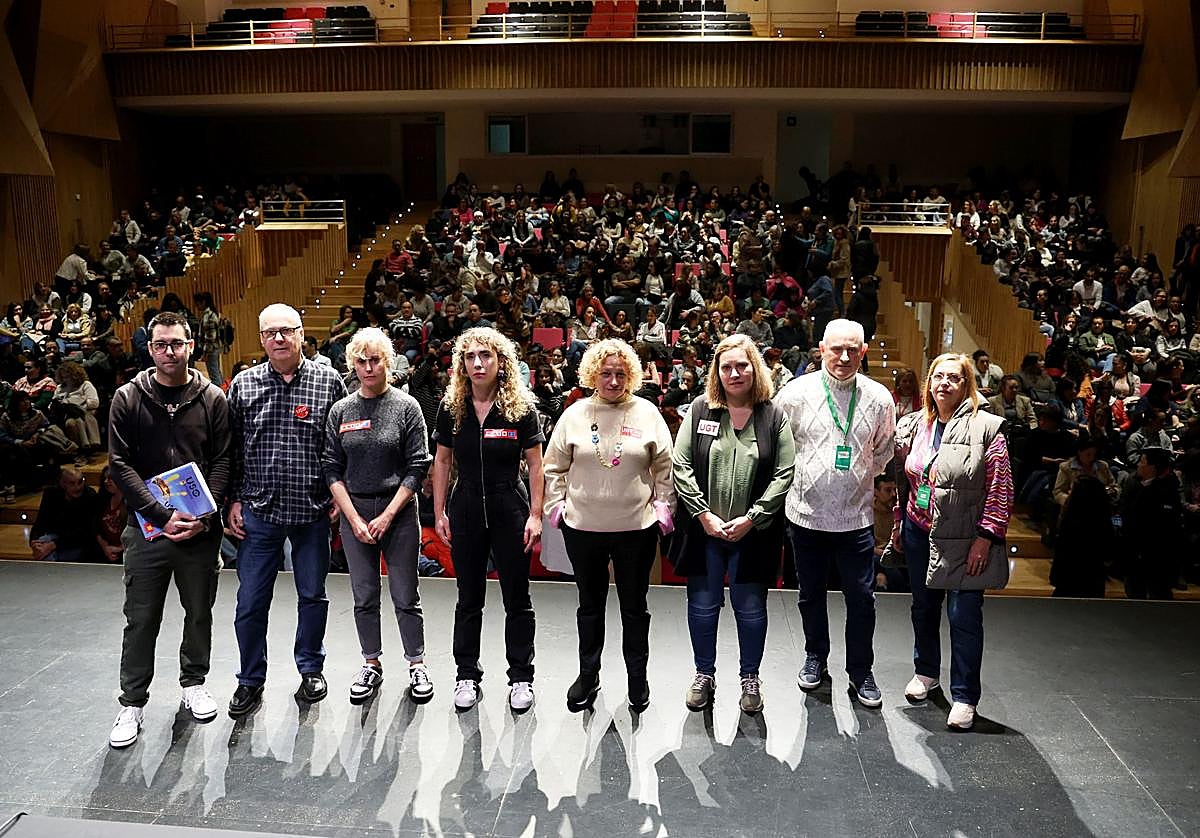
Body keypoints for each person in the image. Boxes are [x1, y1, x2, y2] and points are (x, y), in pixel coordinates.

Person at [105, 311, 232, 749]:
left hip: (199, 531)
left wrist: (203, 515)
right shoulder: (127, 397)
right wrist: (159, 515)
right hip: (146, 531)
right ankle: (132, 703)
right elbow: (119, 464)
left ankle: (193, 683)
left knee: (199, 613)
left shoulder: (213, 398)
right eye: (161, 345)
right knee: (140, 620)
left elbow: (223, 461)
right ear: (150, 348)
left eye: (177, 343)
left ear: (191, 345)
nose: (169, 352)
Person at [226, 304, 348, 717]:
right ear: (261, 339)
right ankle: (249, 679)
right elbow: (232, 450)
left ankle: (311, 668)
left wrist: (338, 493)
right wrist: (234, 500)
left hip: (313, 512)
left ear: (301, 334)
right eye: (270, 333)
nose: (279, 339)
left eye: (287, 331)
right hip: (259, 512)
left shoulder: (329, 380)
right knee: (250, 602)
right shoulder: (242, 385)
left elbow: (340, 445)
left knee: (313, 596)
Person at [543, 338, 675, 713]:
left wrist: (664, 507)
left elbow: (665, 467)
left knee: (635, 608)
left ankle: (637, 676)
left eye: (620, 374)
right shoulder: (575, 414)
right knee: (590, 606)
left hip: (636, 529)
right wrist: (557, 507)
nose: (613, 381)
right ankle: (589, 674)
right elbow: (554, 467)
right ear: (592, 375)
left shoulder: (647, 413)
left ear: (630, 375)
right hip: (583, 529)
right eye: (606, 373)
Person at [774, 319, 895, 708]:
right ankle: (815, 657)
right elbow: (780, 447)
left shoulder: (879, 397)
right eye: (836, 349)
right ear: (821, 349)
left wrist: (853, 478)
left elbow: (883, 451)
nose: (844, 357)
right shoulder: (794, 394)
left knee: (862, 598)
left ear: (863, 352)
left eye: (853, 350)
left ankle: (861, 671)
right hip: (805, 516)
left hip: (855, 519)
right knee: (810, 595)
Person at [888, 353, 1013, 731]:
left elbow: (1000, 489)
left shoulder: (988, 428)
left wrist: (986, 538)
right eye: (938, 376)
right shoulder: (913, 424)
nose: (944, 383)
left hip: (964, 539)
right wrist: (898, 521)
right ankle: (925, 672)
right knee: (922, 609)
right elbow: (902, 481)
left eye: (953, 378)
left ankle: (963, 696)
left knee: (963, 617)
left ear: (966, 385)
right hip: (917, 529)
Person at [670, 334, 794, 714]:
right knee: (703, 606)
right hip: (704, 530)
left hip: (753, 533)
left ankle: (749, 679)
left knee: (750, 608)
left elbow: (785, 472)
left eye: (742, 366)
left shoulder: (773, 415)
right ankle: (703, 674)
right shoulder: (699, 410)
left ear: (754, 368)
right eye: (727, 367)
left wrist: (753, 518)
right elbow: (681, 465)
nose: (735, 373)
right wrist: (703, 514)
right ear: (717, 372)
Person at [431, 327, 545, 712]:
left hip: (509, 507)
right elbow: (443, 460)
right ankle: (466, 674)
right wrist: (439, 512)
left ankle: (521, 678)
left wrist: (535, 514)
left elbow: (535, 465)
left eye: (486, 356)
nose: (478, 363)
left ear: (501, 362)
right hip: (464, 508)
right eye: (470, 357)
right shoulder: (452, 408)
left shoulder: (520, 408)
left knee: (517, 598)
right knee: (468, 599)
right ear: (461, 365)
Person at [323, 328, 435, 706]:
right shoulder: (341, 410)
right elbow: (331, 468)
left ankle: (416, 662)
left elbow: (418, 466)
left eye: (376, 360)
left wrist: (387, 515)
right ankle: (371, 663)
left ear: (389, 362)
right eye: (361, 361)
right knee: (364, 595)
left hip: (398, 512)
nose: (369, 367)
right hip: (355, 513)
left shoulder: (407, 407)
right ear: (352, 364)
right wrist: (352, 519)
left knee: (406, 594)